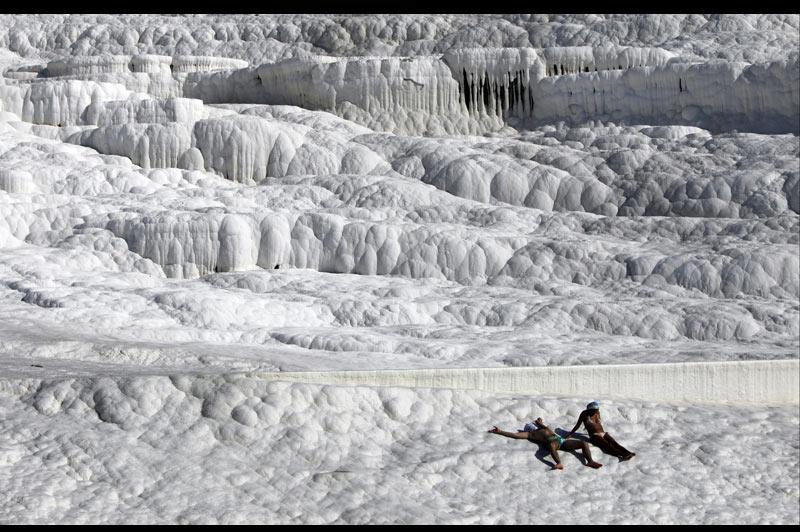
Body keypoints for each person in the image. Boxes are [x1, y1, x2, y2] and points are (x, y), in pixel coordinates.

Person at [488, 417, 602, 470]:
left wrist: (539, 422)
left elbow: (540, 422)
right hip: (552, 444)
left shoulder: (543, 428)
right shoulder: (530, 434)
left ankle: (590, 461)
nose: (533, 427)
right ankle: (559, 463)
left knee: (583, 443)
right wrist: (500, 431)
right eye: (531, 427)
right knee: (552, 446)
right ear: (529, 429)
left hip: (561, 442)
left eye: (534, 426)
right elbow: (515, 435)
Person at [566, 401, 635, 461]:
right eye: (595, 410)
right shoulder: (584, 414)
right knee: (607, 445)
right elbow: (577, 425)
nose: (597, 411)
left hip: (603, 433)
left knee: (615, 443)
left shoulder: (597, 412)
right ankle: (623, 455)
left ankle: (628, 453)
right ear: (590, 410)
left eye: (597, 409)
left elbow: (598, 424)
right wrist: (570, 434)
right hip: (594, 436)